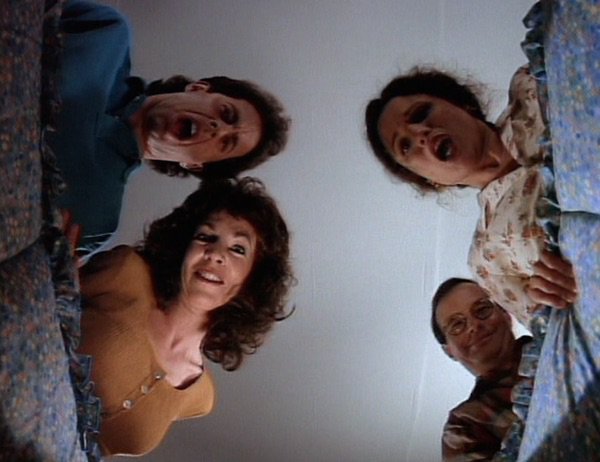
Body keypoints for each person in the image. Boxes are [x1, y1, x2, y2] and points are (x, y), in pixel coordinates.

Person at [48, 0, 291, 253]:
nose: (218, 129)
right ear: (198, 88)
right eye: (226, 113)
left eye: (226, 143)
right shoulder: (107, 33)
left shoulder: (97, 215)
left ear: (195, 165)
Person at [76, 177, 295, 457]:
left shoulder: (201, 397)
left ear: (254, 277)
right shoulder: (125, 271)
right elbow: (46, 295)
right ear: (183, 246)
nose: (215, 254)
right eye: (205, 236)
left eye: (238, 249)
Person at [364, 65, 577, 328]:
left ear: (463, 105)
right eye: (405, 146)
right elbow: (558, 332)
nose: (420, 136)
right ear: (429, 180)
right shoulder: (486, 260)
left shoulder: (532, 85)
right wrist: (545, 297)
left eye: (420, 113)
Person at [431, 278, 531, 461]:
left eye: (482, 310)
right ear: (449, 350)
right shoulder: (464, 426)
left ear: (506, 315)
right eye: (457, 325)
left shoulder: (553, 339)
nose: (474, 326)